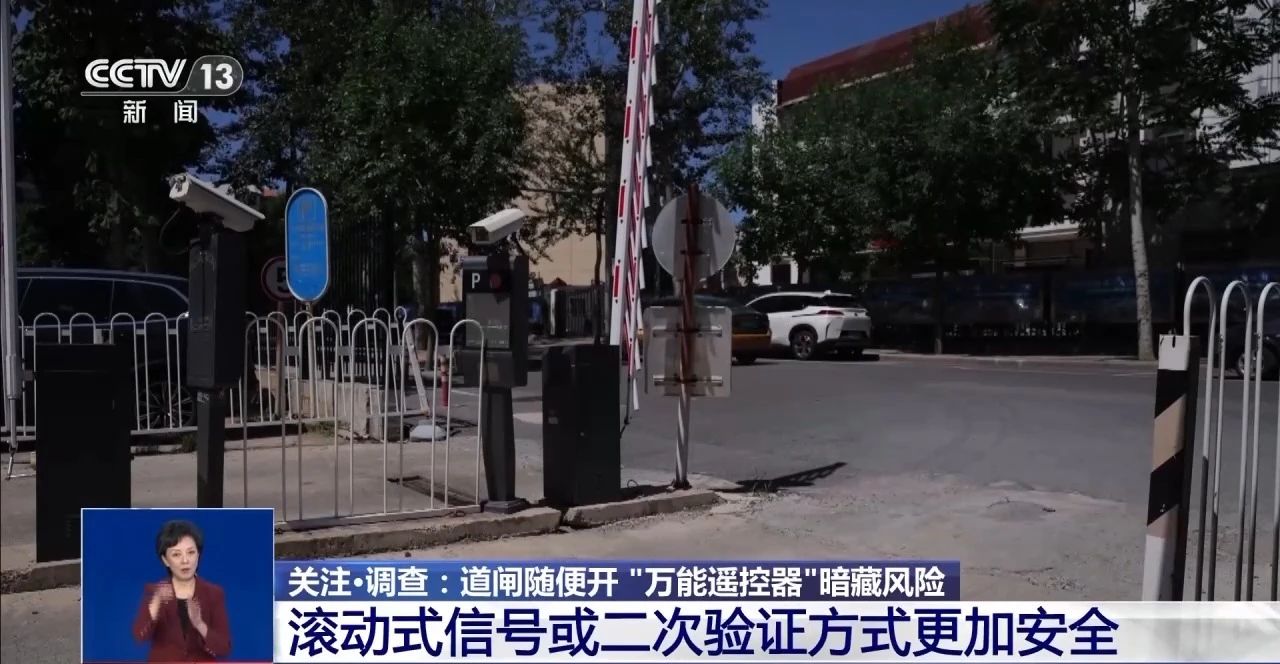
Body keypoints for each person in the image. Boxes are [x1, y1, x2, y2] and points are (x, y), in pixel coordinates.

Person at [132, 520, 231, 662]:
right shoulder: (154, 592)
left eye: (191, 552)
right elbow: (139, 636)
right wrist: (156, 604)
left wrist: (200, 625)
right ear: (165, 560)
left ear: (198, 555)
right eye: (176, 554)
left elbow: (224, 647)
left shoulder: (213, 594)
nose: (185, 560)